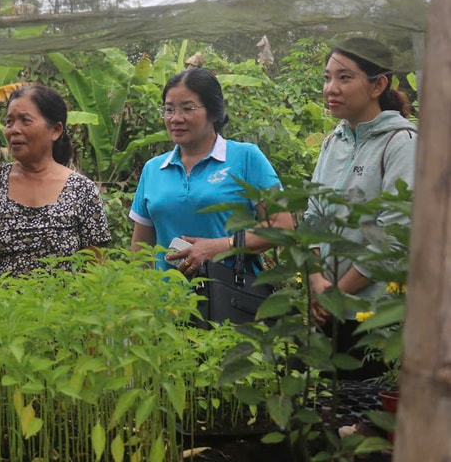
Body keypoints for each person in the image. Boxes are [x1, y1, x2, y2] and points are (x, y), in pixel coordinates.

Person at [305, 38, 417, 379]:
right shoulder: (332, 141)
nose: (330, 89)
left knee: (365, 417)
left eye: (344, 77)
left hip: (375, 318)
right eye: (327, 78)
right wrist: (315, 280)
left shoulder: (402, 142)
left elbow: (394, 236)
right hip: (328, 310)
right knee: (326, 415)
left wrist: (335, 294)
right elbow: (312, 216)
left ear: (378, 85)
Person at [129, 67, 293, 274]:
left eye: (188, 109)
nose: (176, 118)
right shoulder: (153, 169)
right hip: (168, 301)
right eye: (169, 109)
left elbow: (282, 226)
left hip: (231, 300)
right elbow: (140, 249)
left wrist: (219, 247)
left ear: (214, 112)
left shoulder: (246, 158)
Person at [0, 84, 111, 280]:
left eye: (25, 121)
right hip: (0, 310)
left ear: (56, 130)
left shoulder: (83, 191)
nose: (14, 130)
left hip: (64, 309)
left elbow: (97, 269)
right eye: (9, 122)